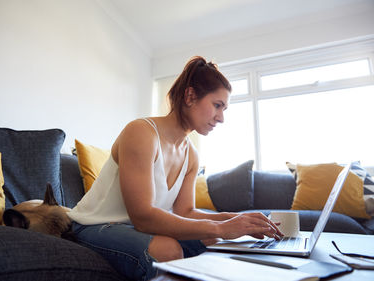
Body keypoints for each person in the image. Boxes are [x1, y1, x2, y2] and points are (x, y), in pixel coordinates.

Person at [68, 56, 283, 280]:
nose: (221, 118)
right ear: (190, 96)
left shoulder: (191, 155)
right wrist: (220, 228)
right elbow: (143, 217)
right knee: (168, 248)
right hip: (95, 225)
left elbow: (185, 212)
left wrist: (238, 220)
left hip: (132, 229)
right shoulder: (141, 132)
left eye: (224, 108)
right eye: (217, 105)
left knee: (212, 239)